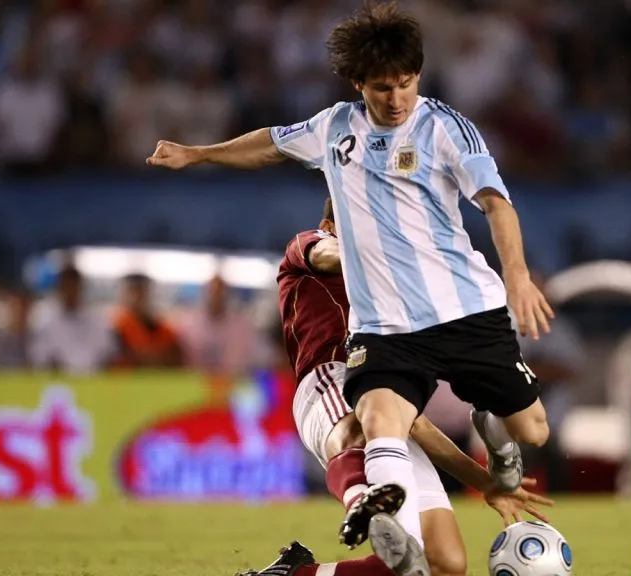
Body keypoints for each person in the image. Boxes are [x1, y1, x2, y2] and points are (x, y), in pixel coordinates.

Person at [146, 1, 555, 555]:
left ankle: (498, 443)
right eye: (383, 88)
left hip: (466, 311)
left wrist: (518, 277)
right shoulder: (335, 127)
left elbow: (496, 205)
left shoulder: (446, 128)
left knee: (532, 432)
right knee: (379, 418)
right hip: (385, 329)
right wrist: (197, 153)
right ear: (358, 82)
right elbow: (269, 142)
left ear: (419, 76)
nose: (396, 99)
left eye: (406, 84)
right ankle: (383, 507)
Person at [236, 199, 553, 576]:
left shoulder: (393, 307)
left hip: (376, 393)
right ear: (330, 224)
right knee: (355, 424)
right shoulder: (308, 245)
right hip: (329, 378)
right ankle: (362, 501)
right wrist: (379, 249)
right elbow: (327, 254)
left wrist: (486, 483)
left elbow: (414, 423)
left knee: (443, 563)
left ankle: (296, 573)